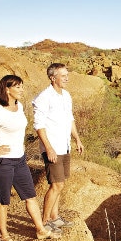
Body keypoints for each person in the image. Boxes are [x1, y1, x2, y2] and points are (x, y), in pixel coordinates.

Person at [0, 75, 61, 241]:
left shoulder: (19, 106)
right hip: (2, 163)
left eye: (22, 86)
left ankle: (40, 230)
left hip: (19, 160)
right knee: (3, 201)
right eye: (18, 87)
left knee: (30, 196)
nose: (22, 90)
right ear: (7, 89)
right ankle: (5, 237)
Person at [32, 63, 84, 232]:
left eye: (67, 75)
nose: (67, 78)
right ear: (53, 78)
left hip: (65, 146)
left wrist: (77, 139)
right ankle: (45, 221)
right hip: (52, 147)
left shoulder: (66, 95)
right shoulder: (43, 97)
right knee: (56, 185)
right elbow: (39, 125)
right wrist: (49, 148)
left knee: (60, 184)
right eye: (63, 76)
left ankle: (55, 217)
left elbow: (70, 119)